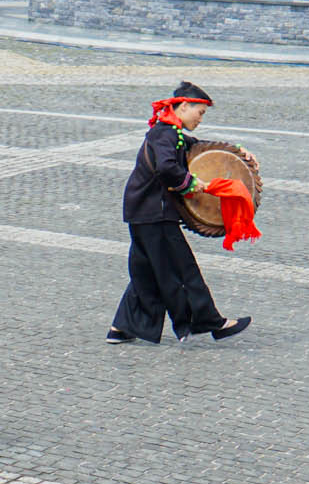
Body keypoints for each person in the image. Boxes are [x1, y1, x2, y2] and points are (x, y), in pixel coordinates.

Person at [108, 81, 252, 345]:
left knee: (147, 270)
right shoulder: (165, 134)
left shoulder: (170, 132)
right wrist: (198, 184)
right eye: (200, 112)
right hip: (154, 213)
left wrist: (237, 151)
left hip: (143, 211)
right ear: (184, 106)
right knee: (181, 268)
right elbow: (167, 168)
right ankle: (209, 322)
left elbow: (196, 146)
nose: (200, 118)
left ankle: (121, 327)